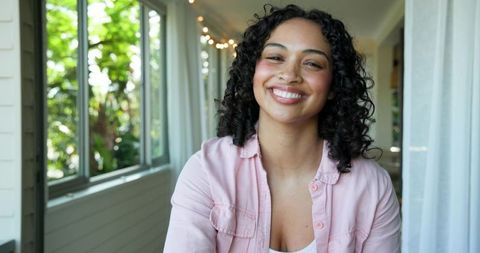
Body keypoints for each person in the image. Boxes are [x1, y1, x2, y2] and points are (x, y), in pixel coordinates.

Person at [164, 4, 401, 253]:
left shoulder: (372, 186)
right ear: (252, 71)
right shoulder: (206, 172)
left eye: (312, 63)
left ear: (333, 86)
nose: (289, 75)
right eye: (275, 57)